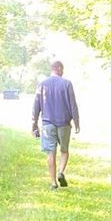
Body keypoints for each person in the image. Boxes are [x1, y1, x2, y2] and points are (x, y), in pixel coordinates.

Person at [32, 60, 80, 189]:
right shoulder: (67, 84)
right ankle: (61, 172)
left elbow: (36, 106)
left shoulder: (42, 84)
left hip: (47, 124)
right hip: (64, 123)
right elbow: (73, 105)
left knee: (50, 153)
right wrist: (76, 122)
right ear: (58, 69)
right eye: (62, 69)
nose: (63, 72)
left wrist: (34, 124)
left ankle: (53, 183)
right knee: (64, 150)